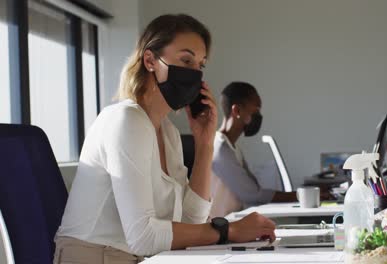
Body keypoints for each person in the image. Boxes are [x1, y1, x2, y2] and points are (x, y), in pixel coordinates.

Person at [54, 14, 275, 263]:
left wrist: (204, 145)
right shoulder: (126, 119)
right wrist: (229, 231)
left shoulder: (166, 131)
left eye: (200, 65)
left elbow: (191, 223)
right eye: (186, 60)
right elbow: (143, 236)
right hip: (97, 257)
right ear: (150, 60)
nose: (194, 73)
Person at [210, 82, 297, 218]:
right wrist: (299, 196)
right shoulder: (220, 148)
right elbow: (252, 194)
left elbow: (253, 187)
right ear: (237, 111)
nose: (259, 115)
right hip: (218, 229)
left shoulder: (234, 148)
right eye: (256, 110)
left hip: (231, 224)